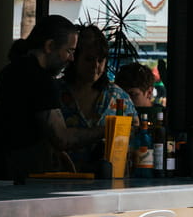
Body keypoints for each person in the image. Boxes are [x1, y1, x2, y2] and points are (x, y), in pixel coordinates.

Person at [0, 16, 103, 180]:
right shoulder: (40, 80)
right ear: (49, 46)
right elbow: (62, 138)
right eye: (69, 51)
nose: (71, 58)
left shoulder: (8, 72)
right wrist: (107, 129)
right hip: (20, 181)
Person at [57, 25, 138, 172]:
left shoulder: (118, 98)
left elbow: (135, 141)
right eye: (89, 59)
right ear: (74, 59)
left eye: (101, 60)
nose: (95, 66)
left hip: (106, 182)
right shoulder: (56, 94)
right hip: (57, 180)